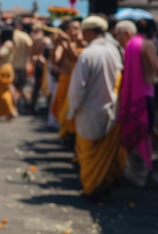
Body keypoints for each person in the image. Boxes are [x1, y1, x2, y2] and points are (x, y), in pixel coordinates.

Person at [66, 15, 125, 199]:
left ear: (90, 32)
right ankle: (103, 183)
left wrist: (72, 109)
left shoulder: (87, 54)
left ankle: (91, 188)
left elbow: (78, 87)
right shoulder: (113, 50)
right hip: (110, 108)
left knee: (89, 155)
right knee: (103, 154)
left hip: (89, 111)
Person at [118, 19, 158, 187]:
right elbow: (156, 68)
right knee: (148, 131)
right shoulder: (147, 44)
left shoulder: (131, 44)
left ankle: (140, 171)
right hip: (146, 94)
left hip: (132, 94)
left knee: (145, 131)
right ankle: (147, 170)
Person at [12, 19, 33, 109]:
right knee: (21, 86)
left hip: (12, 64)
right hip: (22, 64)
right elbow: (30, 48)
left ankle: (15, 103)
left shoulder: (10, 35)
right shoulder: (24, 36)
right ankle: (21, 102)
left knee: (14, 85)